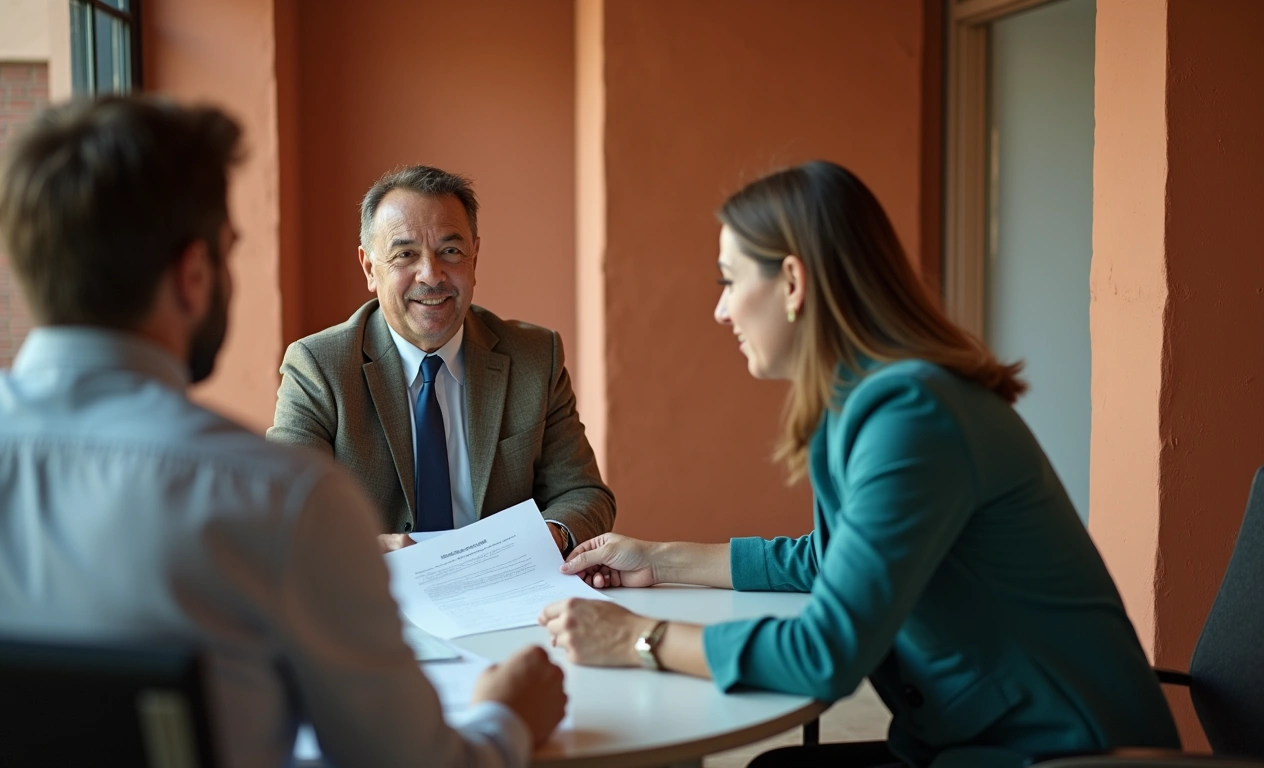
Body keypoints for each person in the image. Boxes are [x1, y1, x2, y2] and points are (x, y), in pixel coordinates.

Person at [537, 161, 1180, 768]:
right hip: (982, 736)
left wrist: (636, 638)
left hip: (1059, 751)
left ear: (791, 282)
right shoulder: (867, 401)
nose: (721, 309)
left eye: (730, 280)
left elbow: (826, 653)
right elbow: (829, 560)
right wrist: (659, 559)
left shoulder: (912, 416)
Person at [0, 96, 565, 768]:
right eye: (230, 253)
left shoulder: (528, 355)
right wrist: (507, 715)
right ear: (194, 274)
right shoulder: (278, 500)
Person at [267, 165, 613, 556]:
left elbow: (583, 493)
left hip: (504, 592)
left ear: (475, 257)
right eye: (405, 254)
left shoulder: (534, 357)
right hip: (376, 597)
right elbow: (282, 506)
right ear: (369, 267)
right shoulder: (318, 366)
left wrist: (549, 536)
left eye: (451, 251)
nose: (431, 275)